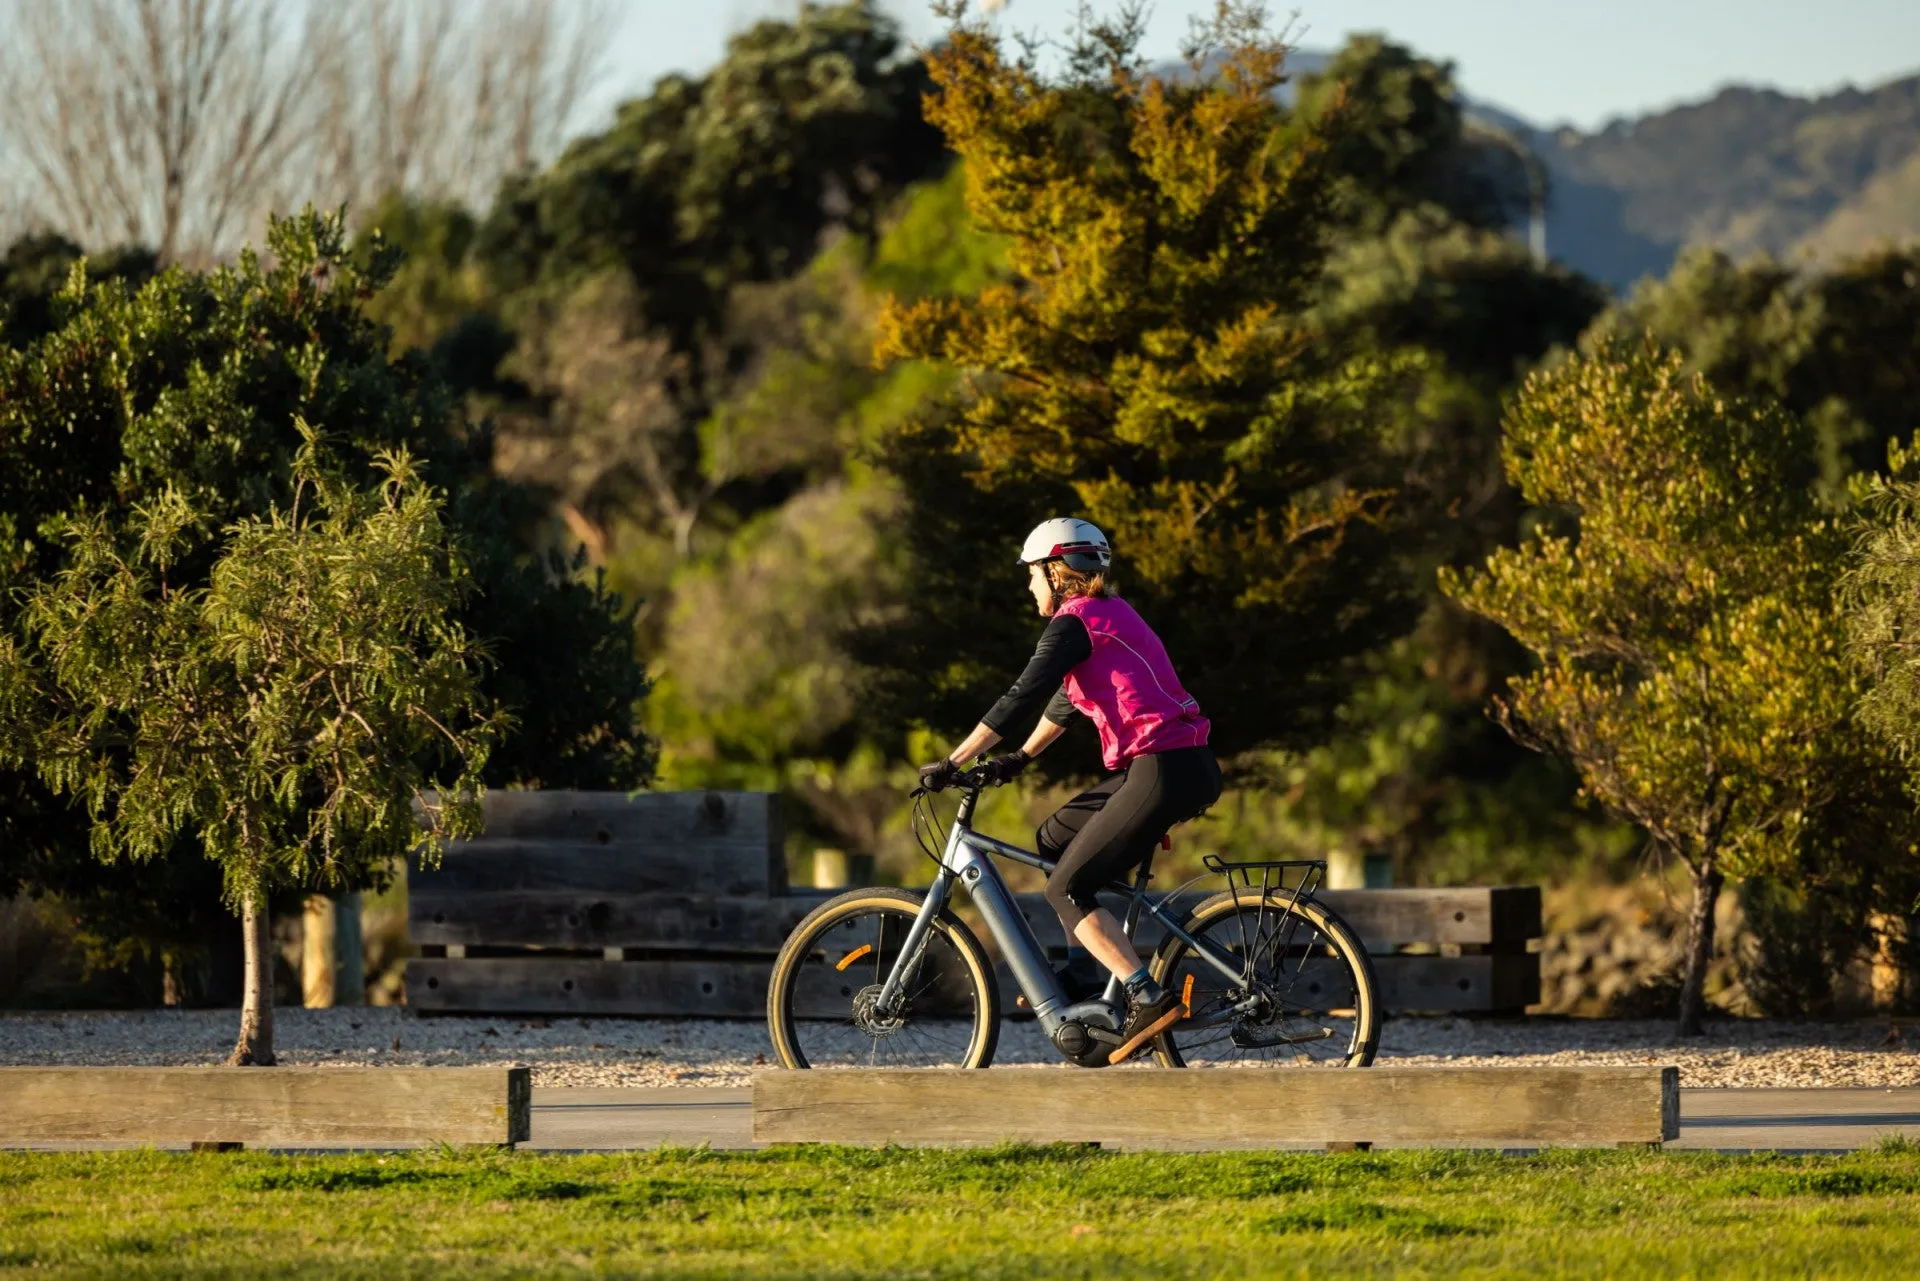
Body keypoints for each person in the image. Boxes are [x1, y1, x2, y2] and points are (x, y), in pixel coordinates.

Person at [919, 517, 1221, 1063]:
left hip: (1163, 768)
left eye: (1031, 574)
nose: (1028, 585)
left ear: (1055, 573)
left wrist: (953, 761)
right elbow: (1063, 702)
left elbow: (1021, 695)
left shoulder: (1073, 623)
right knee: (1055, 838)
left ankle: (1147, 995)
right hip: (1176, 765)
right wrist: (1019, 757)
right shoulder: (1110, 615)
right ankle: (1088, 974)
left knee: (1063, 889)